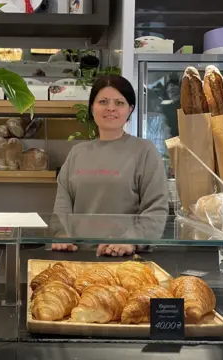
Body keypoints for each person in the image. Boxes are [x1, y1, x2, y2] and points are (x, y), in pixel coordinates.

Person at [52, 75, 169, 257]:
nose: (111, 108)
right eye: (103, 101)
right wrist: (62, 235)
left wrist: (131, 240)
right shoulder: (77, 152)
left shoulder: (144, 151)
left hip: (124, 258)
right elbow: (63, 203)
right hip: (77, 256)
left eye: (119, 103)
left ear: (130, 109)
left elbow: (156, 207)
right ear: (92, 108)